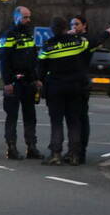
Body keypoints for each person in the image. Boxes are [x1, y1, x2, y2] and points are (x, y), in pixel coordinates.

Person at [38, 16, 96, 166]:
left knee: (56, 122)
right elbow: (90, 43)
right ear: (66, 28)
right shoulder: (78, 42)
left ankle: (56, 154)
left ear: (52, 30)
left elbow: (41, 67)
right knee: (74, 121)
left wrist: (40, 82)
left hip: (55, 88)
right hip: (75, 87)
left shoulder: (48, 45)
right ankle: (74, 155)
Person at [0, 5, 42, 160]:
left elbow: (33, 60)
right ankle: (11, 148)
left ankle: (32, 147)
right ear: (16, 17)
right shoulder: (8, 36)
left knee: (30, 116)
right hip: (14, 83)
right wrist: (7, 82)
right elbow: (3, 61)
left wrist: (36, 78)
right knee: (12, 117)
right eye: (25, 17)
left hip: (28, 83)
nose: (28, 20)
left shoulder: (29, 35)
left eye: (29, 17)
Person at [69, 15, 110, 164]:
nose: (73, 26)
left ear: (84, 25)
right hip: (70, 83)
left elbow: (96, 40)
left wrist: (107, 33)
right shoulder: (71, 38)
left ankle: (80, 151)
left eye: (76, 24)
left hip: (81, 84)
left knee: (81, 118)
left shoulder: (85, 40)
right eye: (71, 24)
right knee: (72, 119)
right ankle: (72, 150)